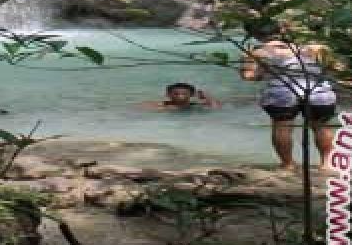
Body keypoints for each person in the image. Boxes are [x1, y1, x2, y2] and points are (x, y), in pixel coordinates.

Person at [241, 21, 339, 172]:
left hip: (283, 92)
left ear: (255, 35)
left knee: (282, 127)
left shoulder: (257, 52)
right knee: (321, 126)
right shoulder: (315, 48)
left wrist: (255, 69)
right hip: (318, 91)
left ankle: (288, 164)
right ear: (281, 30)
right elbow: (336, 68)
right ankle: (326, 164)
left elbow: (249, 76)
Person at [134, 82, 221, 112]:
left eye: (184, 94)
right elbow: (140, 107)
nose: (180, 96)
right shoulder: (163, 105)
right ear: (168, 95)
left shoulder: (195, 105)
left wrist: (206, 97)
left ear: (192, 95)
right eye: (176, 94)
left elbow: (216, 108)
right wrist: (163, 109)